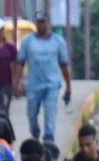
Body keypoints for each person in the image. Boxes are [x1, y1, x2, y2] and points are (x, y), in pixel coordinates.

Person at [17, 13, 72, 144]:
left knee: (50, 113)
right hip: (33, 85)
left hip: (51, 85)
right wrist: (17, 83)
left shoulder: (58, 41)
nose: (41, 25)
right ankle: (35, 134)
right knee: (31, 114)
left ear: (48, 23)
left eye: (44, 22)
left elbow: (64, 65)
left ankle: (48, 139)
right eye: (39, 22)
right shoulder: (27, 41)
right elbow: (20, 63)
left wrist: (68, 86)